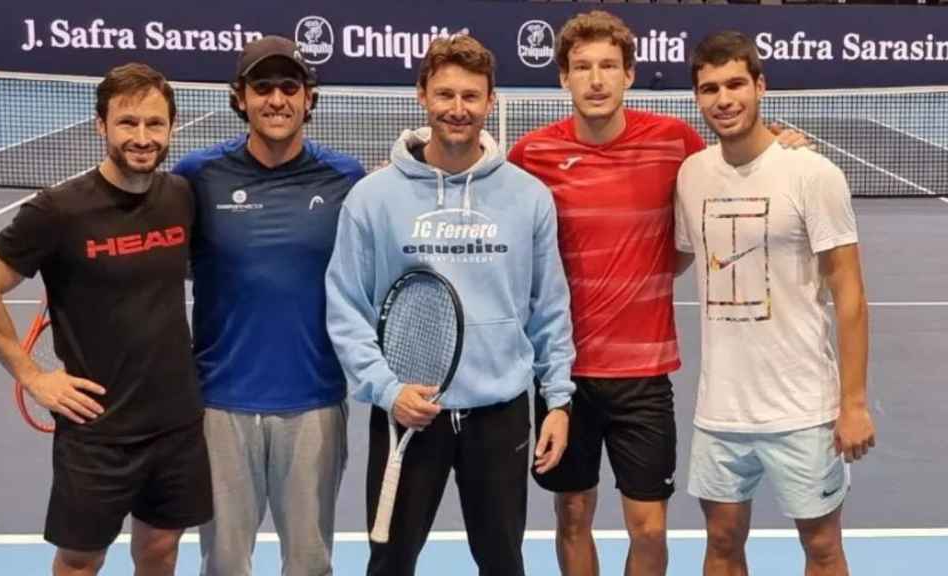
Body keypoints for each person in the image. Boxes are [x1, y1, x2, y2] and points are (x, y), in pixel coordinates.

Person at [508, 11, 810, 576]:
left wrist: (784, 147)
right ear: (563, 80)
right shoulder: (531, 155)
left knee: (648, 529)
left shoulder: (676, 143)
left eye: (607, 67)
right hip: (562, 376)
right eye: (581, 68)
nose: (595, 79)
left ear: (629, 75)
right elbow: (484, 205)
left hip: (644, 377)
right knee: (571, 513)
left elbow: (734, 167)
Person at [325, 34, 576, 576]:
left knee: (503, 562)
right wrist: (388, 390)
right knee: (389, 563)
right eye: (444, 94)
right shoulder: (373, 198)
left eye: (470, 96)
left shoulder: (529, 196)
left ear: (490, 101)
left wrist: (558, 400)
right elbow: (346, 307)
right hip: (407, 414)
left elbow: (548, 307)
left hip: (500, 414)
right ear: (421, 96)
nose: (457, 109)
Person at [0, 63, 211, 576]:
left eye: (154, 124)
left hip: (177, 423)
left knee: (160, 549)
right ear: (102, 125)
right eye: (128, 123)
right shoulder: (59, 211)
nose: (142, 137)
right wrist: (32, 376)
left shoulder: (181, 198)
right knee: (79, 561)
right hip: (97, 432)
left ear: (172, 127)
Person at [675, 31, 875, 576]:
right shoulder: (690, 176)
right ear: (697, 97)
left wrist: (853, 403)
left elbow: (850, 291)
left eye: (736, 83)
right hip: (720, 409)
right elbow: (672, 258)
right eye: (710, 87)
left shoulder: (813, 174)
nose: (725, 98)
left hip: (803, 409)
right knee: (720, 541)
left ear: (760, 85)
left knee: (823, 548)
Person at [171, 35, 365, 576]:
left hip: (314, 402)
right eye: (262, 87)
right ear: (240, 98)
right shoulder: (197, 176)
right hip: (220, 404)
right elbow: (149, 254)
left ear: (309, 98)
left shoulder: (346, 179)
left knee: (308, 563)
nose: (276, 99)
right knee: (225, 564)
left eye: (289, 86)